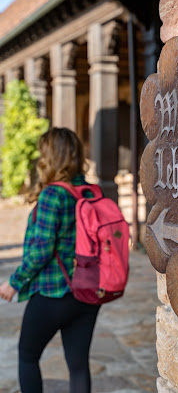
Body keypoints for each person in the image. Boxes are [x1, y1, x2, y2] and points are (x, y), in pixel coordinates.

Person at [0, 127, 100, 393]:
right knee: (78, 365)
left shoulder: (52, 196)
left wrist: (14, 282)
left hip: (54, 292)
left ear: (50, 158)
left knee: (28, 356)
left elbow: (41, 251)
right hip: (88, 291)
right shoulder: (92, 192)